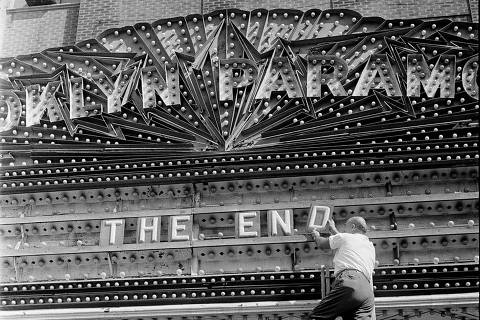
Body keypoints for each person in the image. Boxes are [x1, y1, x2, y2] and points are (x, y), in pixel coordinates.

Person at [307, 216, 376, 320]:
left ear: (353, 227)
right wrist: (333, 229)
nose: (344, 231)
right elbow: (345, 241)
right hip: (367, 292)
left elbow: (322, 244)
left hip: (350, 282)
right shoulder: (369, 246)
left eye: (346, 228)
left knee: (317, 317)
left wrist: (316, 236)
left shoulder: (346, 237)